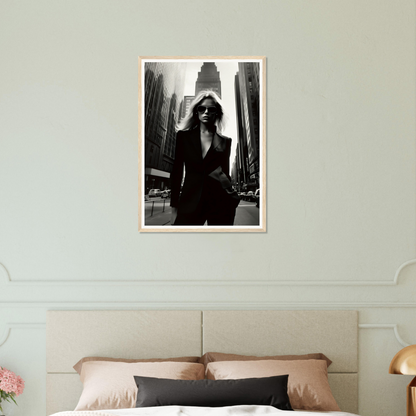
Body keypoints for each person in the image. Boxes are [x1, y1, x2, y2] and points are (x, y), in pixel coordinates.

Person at [170, 90, 239, 226]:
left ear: (217, 113)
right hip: (190, 202)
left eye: (211, 109)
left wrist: (232, 199)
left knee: (219, 245)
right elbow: (177, 171)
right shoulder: (183, 137)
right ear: (196, 111)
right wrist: (174, 206)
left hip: (220, 203)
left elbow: (224, 173)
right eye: (202, 108)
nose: (206, 112)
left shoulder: (226, 141)